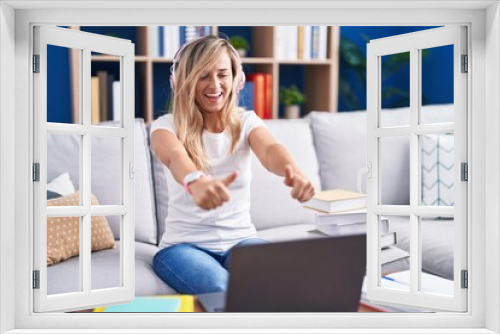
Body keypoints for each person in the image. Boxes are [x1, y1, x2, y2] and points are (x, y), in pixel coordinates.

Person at [150, 35, 315, 295]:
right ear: (183, 81)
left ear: (237, 80)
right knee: (222, 289)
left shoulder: (246, 122)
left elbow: (271, 150)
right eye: (203, 75)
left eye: (222, 74)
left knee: (288, 279)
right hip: (182, 247)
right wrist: (195, 182)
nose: (214, 84)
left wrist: (291, 170)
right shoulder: (165, 127)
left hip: (241, 241)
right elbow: (174, 156)